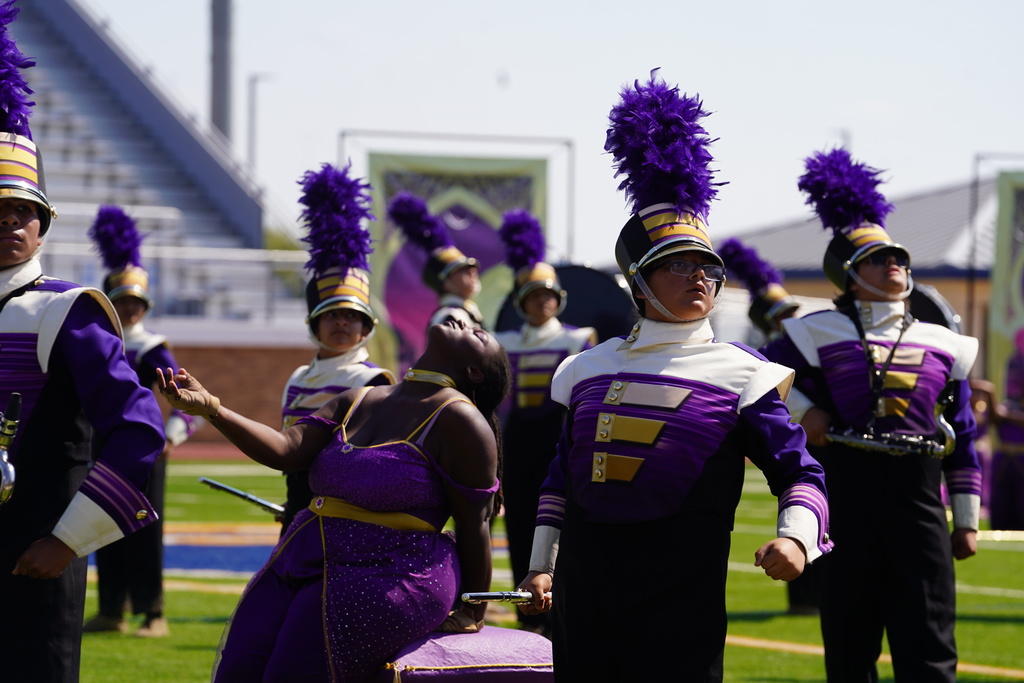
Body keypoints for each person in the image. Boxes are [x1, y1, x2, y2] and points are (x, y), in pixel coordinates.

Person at [516, 72, 832, 682]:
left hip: (680, 596)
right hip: (582, 594)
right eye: (676, 266)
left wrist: (796, 539)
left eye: (705, 267)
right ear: (636, 283)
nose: (698, 279)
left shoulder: (745, 373)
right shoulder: (586, 367)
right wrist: (540, 564)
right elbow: (561, 479)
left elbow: (800, 471)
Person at [159, 321, 510, 682]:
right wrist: (212, 408)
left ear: (474, 372)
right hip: (304, 556)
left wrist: (474, 609)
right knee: (239, 668)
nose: (465, 323)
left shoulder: (460, 418)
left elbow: (475, 524)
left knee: (289, 674)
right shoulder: (359, 398)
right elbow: (287, 448)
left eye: (478, 334)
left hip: (390, 571)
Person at [760, 147, 982, 682]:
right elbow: (764, 384)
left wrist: (968, 520)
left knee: (929, 636)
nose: (896, 266)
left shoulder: (945, 342)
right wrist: (806, 409)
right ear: (850, 274)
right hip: (846, 493)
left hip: (920, 498)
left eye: (900, 258)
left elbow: (965, 433)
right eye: (881, 260)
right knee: (849, 636)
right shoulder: (813, 329)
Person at [0, 5, 164, 681]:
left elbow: (139, 428)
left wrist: (68, 541)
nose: (11, 223)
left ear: (43, 226)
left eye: (23, 213)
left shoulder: (68, 309)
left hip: (37, 550)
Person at [82, 205, 199, 638]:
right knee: (100, 523)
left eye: (135, 302)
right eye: (122, 301)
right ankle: (112, 609)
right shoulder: (94, 344)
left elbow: (187, 402)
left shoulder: (152, 348)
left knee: (146, 529)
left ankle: (153, 614)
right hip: (101, 446)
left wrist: (170, 436)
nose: (129, 309)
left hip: (145, 451)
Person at [492, 208, 595, 636]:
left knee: (563, 527)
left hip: (559, 446)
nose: (543, 301)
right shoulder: (503, 342)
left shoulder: (578, 338)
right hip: (515, 448)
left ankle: (562, 611)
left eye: (548, 295)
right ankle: (526, 613)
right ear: (522, 302)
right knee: (518, 527)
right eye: (534, 295)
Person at [278, 163, 396, 532]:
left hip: (348, 514)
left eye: (351, 316)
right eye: (331, 315)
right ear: (314, 324)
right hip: (299, 508)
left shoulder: (375, 380)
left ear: (366, 327)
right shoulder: (299, 378)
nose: (342, 323)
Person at [718, 237, 817, 616]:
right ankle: (804, 597)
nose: (790, 316)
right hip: (794, 435)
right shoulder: (771, 354)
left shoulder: (808, 342)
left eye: (791, 309)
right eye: (781, 312)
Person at [388, 191, 485, 330]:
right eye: (461, 269)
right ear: (445, 283)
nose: (472, 271)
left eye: (471, 267)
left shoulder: (467, 313)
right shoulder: (449, 318)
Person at [989, 330, 1024, 529]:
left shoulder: (1008, 409)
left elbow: (1003, 416)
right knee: (1003, 508)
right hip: (1004, 462)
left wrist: (991, 394)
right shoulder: (1010, 404)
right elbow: (996, 418)